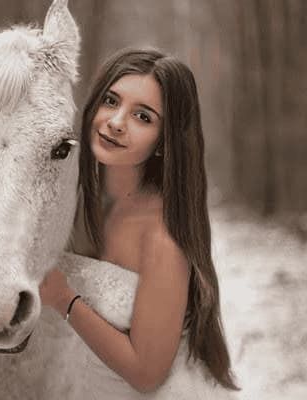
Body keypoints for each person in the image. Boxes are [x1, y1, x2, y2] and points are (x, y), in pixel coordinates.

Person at [39, 48, 239, 395]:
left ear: (164, 142)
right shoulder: (72, 198)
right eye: (111, 101)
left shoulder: (163, 238)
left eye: (142, 117)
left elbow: (147, 374)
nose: (116, 122)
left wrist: (64, 300)